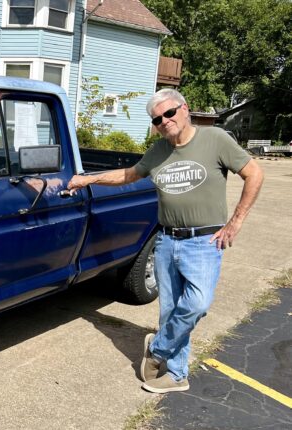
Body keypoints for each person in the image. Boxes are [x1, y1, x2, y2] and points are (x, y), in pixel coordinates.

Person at [67, 89, 264, 393]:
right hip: (166, 241)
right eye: (157, 119)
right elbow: (128, 175)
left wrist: (236, 222)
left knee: (196, 305)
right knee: (171, 311)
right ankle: (177, 373)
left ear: (185, 109)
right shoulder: (158, 151)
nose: (164, 121)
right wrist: (86, 179)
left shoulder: (215, 139)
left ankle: (157, 348)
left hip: (204, 241)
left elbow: (254, 174)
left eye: (169, 113)